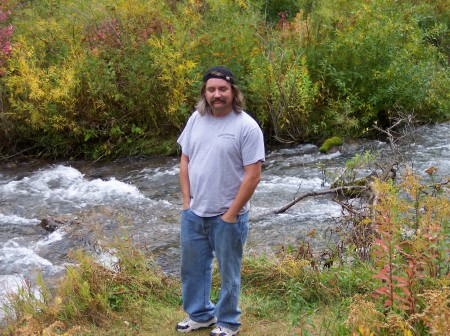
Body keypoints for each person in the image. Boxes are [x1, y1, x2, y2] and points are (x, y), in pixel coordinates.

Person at [175, 66, 265, 336]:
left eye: (222, 89)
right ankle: (201, 315)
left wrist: (231, 213)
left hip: (228, 215)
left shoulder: (246, 126)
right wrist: (186, 202)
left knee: (229, 273)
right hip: (194, 212)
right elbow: (185, 159)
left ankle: (228, 322)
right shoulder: (196, 119)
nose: (217, 94)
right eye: (211, 89)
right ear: (204, 92)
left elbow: (253, 174)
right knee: (192, 269)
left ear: (233, 92)